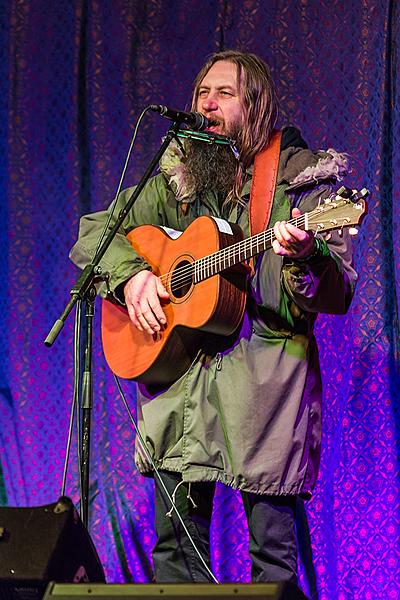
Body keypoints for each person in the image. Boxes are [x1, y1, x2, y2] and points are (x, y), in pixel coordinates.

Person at [70, 50, 357, 586]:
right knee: (176, 554)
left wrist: (306, 257)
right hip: (181, 381)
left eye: (225, 93)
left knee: (272, 557)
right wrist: (134, 277)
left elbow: (337, 289)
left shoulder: (297, 177)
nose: (208, 103)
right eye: (203, 93)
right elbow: (96, 233)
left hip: (263, 388)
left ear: (256, 105)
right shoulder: (181, 175)